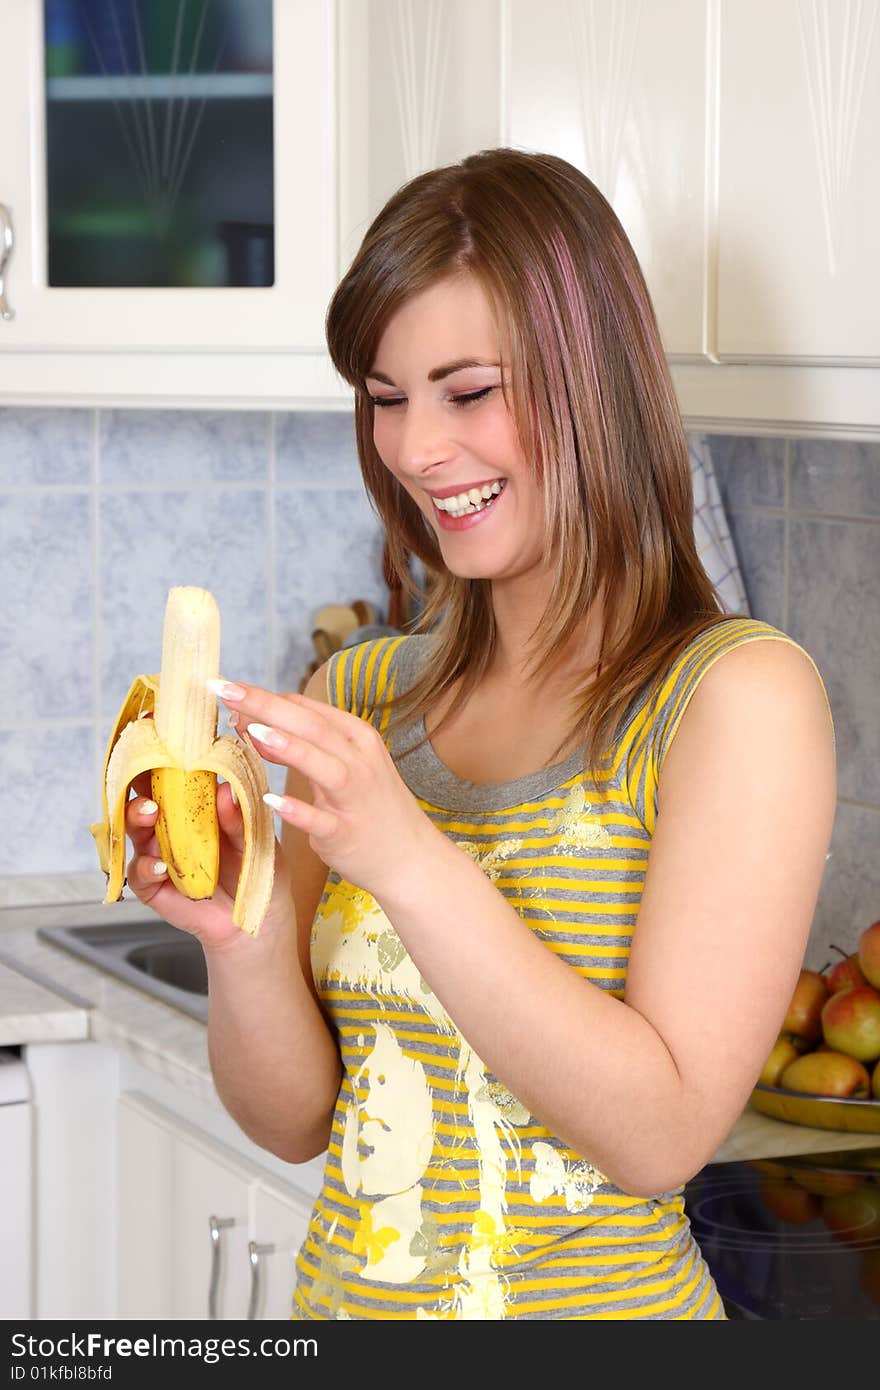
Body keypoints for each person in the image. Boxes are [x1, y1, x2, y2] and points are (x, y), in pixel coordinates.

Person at [123, 148, 837, 1320]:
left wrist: (407, 858)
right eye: (386, 397)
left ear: (590, 381)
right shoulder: (361, 697)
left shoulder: (731, 700)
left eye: (466, 391)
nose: (413, 450)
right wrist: (238, 934)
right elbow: (295, 1120)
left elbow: (659, 1134)